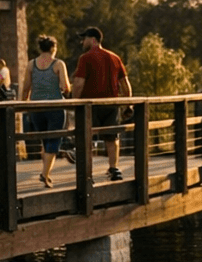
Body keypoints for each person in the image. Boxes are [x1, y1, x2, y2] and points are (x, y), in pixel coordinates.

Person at [71, 26, 132, 182]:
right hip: (112, 104)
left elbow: (78, 83)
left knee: (87, 137)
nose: (82, 42)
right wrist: (128, 104)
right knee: (112, 137)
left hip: (90, 105)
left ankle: (87, 173)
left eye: (84, 39)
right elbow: (125, 84)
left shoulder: (86, 58)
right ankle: (114, 169)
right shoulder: (114, 57)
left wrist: (75, 102)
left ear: (93, 40)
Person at [21, 35, 72, 188]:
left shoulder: (31, 64)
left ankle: (47, 174)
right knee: (53, 142)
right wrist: (64, 89)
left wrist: (24, 105)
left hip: (36, 108)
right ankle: (45, 174)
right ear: (53, 48)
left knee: (45, 141)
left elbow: (26, 88)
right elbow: (66, 87)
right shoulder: (58, 64)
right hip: (55, 107)